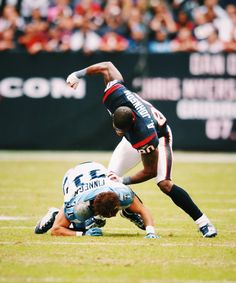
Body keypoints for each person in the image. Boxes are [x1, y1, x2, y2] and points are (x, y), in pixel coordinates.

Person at [66, 61, 217, 238]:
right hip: (132, 139)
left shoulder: (145, 135)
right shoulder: (116, 94)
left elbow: (149, 171)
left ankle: (203, 222)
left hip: (159, 138)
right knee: (107, 179)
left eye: (120, 130)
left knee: (164, 183)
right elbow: (107, 66)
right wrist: (78, 74)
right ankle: (116, 213)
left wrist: (124, 180)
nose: (116, 133)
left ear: (131, 123)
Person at [35, 161, 159, 238]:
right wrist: (82, 234)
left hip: (95, 169)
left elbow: (142, 209)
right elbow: (56, 230)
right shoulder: (77, 203)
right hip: (72, 179)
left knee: (131, 204)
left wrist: (150, 231)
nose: (113, 217)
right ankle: (55, 214)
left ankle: (128, 212)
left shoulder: (120, 191)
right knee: (81, 226)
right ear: (93, 207)